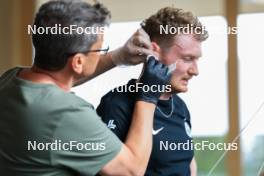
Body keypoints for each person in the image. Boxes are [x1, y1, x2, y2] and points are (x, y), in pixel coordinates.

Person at [0, 0, 172, 175]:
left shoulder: (11, 79)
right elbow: (131, 170)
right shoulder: (67, 113)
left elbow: (58, 79)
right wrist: (148, 97)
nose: (101, 54)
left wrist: (118, 57)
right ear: (78, 61)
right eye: (99, 50)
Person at [97, 7, 209, 176]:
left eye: (196, 59)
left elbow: (187, 165)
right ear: (154, 52)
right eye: (187, 59)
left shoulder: (180, 107)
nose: (195, 70)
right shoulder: (116, 104)